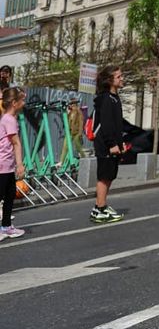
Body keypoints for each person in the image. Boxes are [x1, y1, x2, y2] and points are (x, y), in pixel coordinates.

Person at [90, 66, 126, 223]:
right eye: (118, 77)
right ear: (110, 81)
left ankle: (100, 205)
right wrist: (112, 143)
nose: (122, 78)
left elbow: (117, 124)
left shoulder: (115, 98)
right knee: (104, 176)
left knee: (110, 175)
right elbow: (106, 124)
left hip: (114, 143)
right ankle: (100, 209)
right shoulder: (105, 99)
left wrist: (121, 142)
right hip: (105, 144)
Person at [0, 86, 27, 239]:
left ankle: (6, 226)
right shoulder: (9, 120)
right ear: (14, 103)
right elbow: (16, 143)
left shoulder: (7, 118)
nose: (24, 103)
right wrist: (20, 164)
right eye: (22, 100)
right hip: (3, 164)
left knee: (10, 195)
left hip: (6, 165)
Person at [60, 97, 84, 165]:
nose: (70, 105)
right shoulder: (70, 112)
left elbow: (81, 123)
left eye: (71, 104)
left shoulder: (79, 112)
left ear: (75, 104)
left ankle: (84, 159)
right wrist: (67, 113)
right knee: (65, 147)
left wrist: (80, 133)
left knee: (78, 147)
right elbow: (67, 121)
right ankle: (61, 162)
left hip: (76, 133)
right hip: (70, 132)